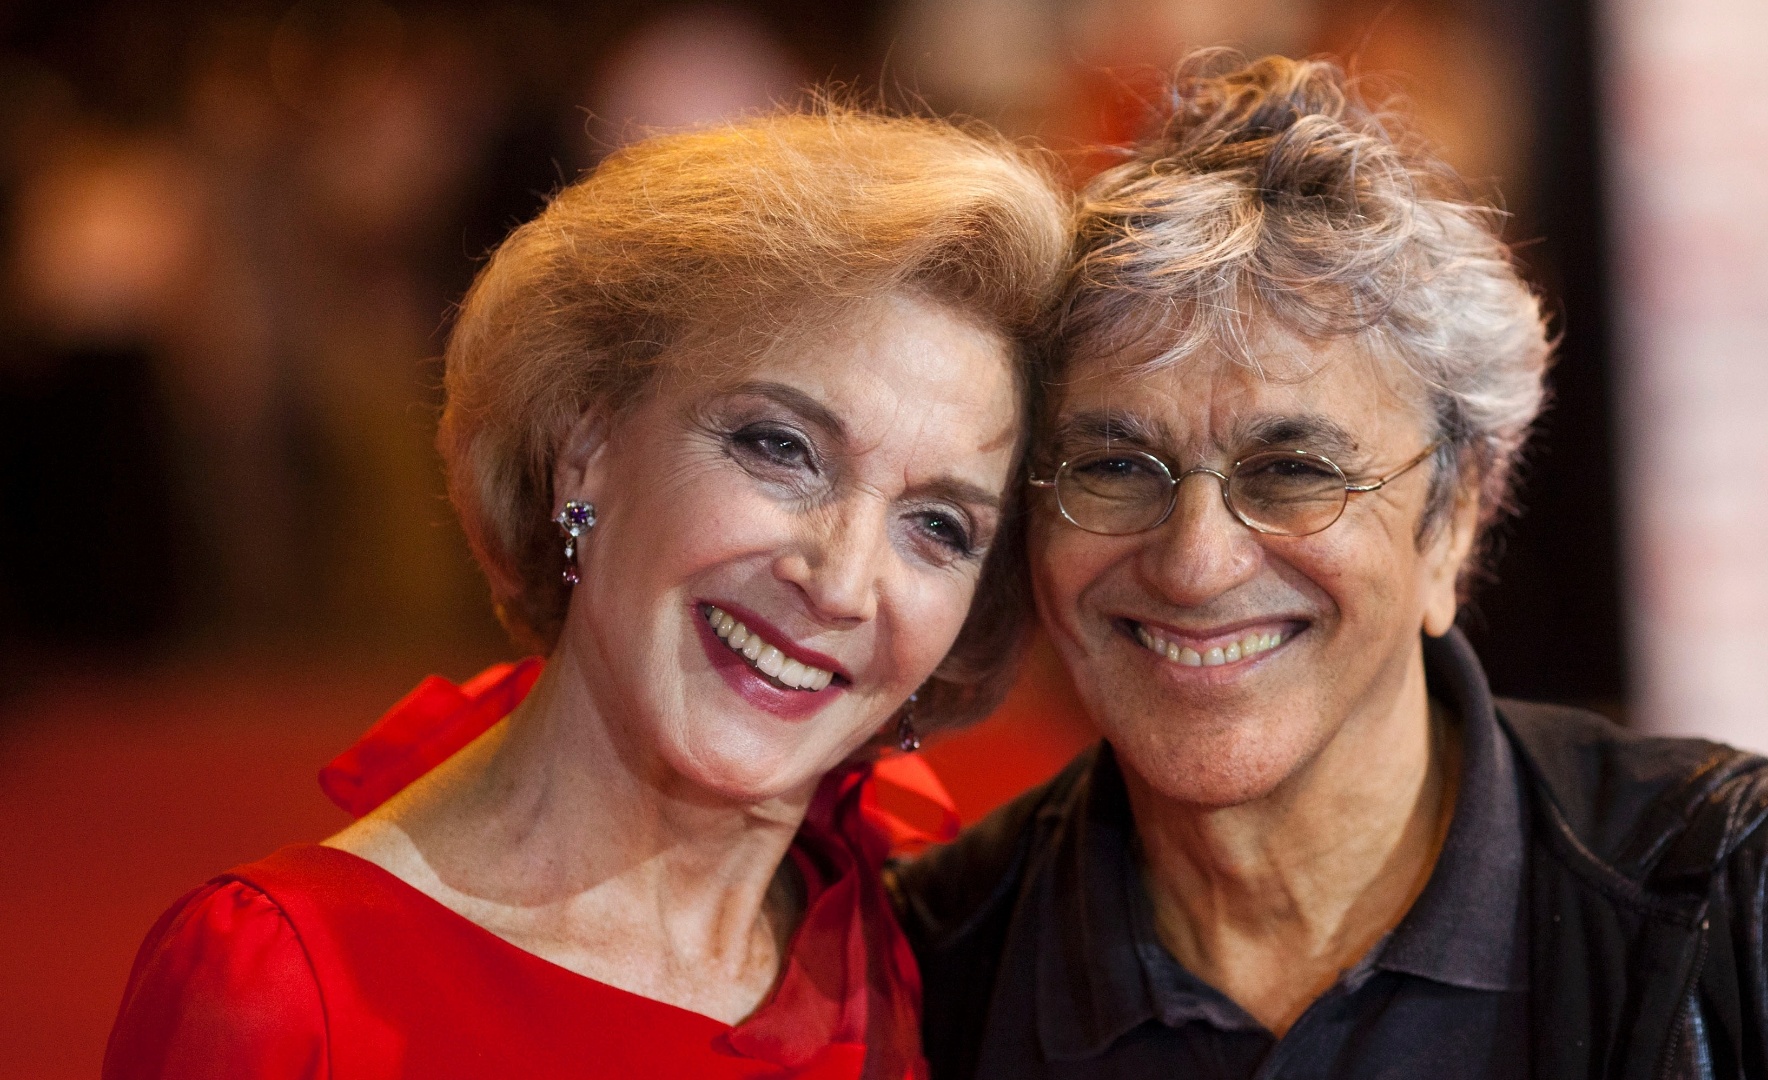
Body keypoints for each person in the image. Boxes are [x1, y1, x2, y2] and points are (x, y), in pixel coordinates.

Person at [889, 54, 1768, 1079]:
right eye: (1116, 465)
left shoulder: (1753, 918)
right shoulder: (924, 971)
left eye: (1293, 469)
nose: (1195, 561)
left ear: (1455, 520)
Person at [104, 106, 1068, 1079]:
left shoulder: (933, 960)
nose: (844, 582)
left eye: (940, 527)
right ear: (585, 445)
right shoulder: (281, 990)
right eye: (780, 448)